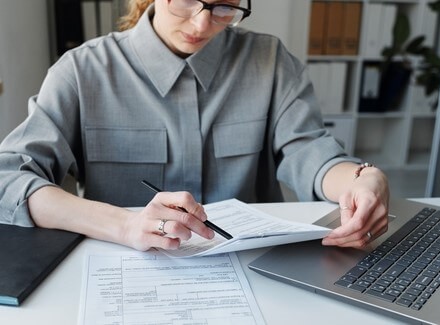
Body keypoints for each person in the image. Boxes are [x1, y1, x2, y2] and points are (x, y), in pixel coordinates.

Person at [0, 0, 389, 251]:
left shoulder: (269, 61)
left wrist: (360, 179)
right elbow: (8, 180)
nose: (202, 23)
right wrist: (124, 225)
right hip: (126, 272)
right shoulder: (82, 72)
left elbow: (309, 150)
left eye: (224, 7)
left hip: (255, 271)